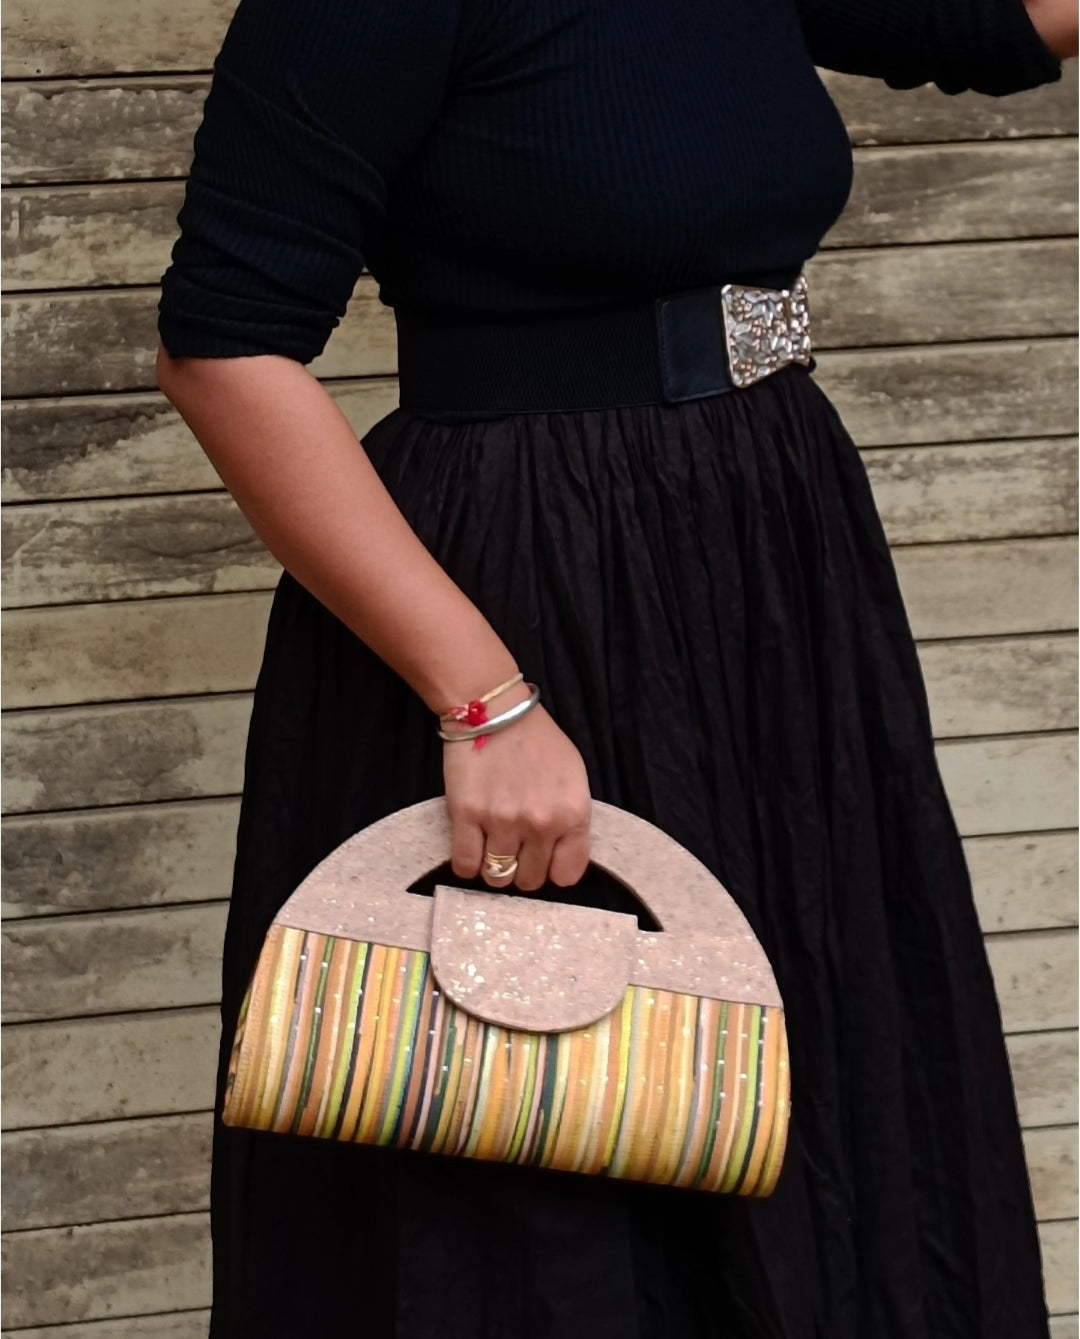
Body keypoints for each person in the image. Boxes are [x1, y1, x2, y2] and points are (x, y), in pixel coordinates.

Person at [154, 0, 1075, 1332]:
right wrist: (486, 702)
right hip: (529, 599)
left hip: (766, 576)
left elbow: (981, 21)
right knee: (551, 1153)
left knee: (788, 1097)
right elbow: (223, 348)